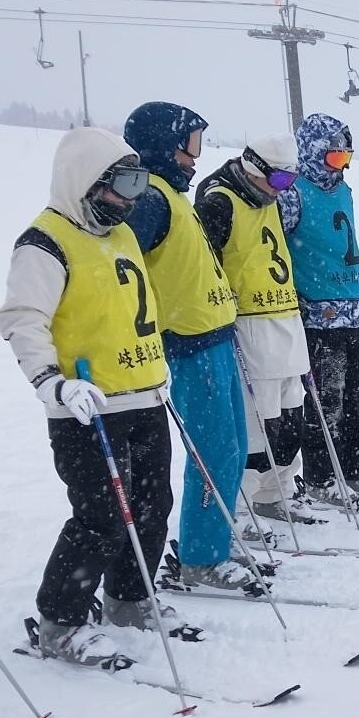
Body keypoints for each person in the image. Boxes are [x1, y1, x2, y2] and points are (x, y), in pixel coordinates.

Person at [0, 128, 179, 661]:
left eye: (138, 183)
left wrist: (156, 367)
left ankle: (129, 597)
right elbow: (22, 319)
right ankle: (61, 621)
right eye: (122, 183)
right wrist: (50, 381)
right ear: (87, 182)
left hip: (143, 395)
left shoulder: (120, 234)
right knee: (100, 516)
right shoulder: (46, 241)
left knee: (151, 506)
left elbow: (130, 311)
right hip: (87, 406)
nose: (131, 197)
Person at [118, 102, 258, 591]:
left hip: (215, 338)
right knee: (212, 450)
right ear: (163, 144)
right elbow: (120, 267)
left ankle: (214, 539)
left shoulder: (174, 197)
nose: (195, 155)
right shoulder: (151, 199)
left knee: (233, 446)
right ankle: (200, 556)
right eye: (190, 143)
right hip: (186, 346)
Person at [195, 134, 313, 525]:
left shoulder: (271, 200)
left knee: (289, 422)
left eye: (290, 182)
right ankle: (241, 508)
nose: (283, 191)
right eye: (279, 181)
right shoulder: (218, 200)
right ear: (254, 168)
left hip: (285, 320)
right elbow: (204, 269)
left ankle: (274, 493)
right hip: (248, 327)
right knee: (254, 426)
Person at [281, 114, 359, 501]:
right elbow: (274, 249)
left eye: (346, 158)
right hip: (317, 319)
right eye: (334, 158)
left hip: (352, 313)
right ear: (313, 155)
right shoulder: (293, 194)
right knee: (325, 403)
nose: (342, 166)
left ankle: (357, 468)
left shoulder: (344, 191)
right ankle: (320, 478)